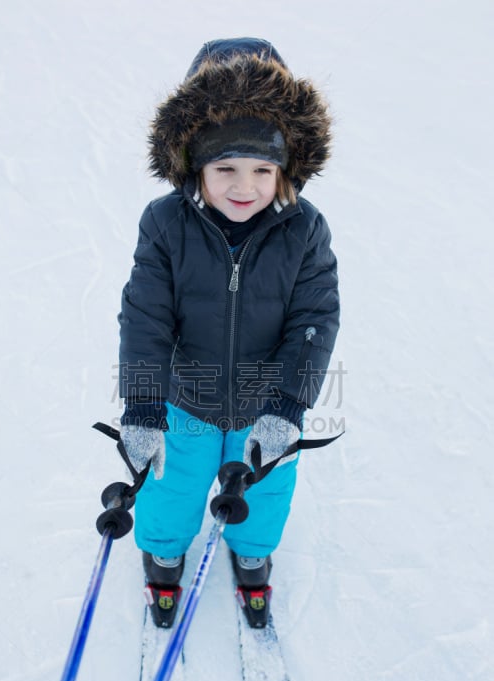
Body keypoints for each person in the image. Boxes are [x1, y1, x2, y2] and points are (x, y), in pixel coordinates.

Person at [118, 38, 340, 629]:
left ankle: (252, 554)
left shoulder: (305, 230)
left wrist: (289, 406)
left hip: (267, 403)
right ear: (195, 163)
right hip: (183, 396)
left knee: (265, 489)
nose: (244, 186)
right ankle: (163, 552)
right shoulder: (166, 224)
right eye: (225, 169)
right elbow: (144, 315)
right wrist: (143, 406)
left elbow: (314, 320)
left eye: (262, 169)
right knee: (174, 483)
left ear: (285, 169)